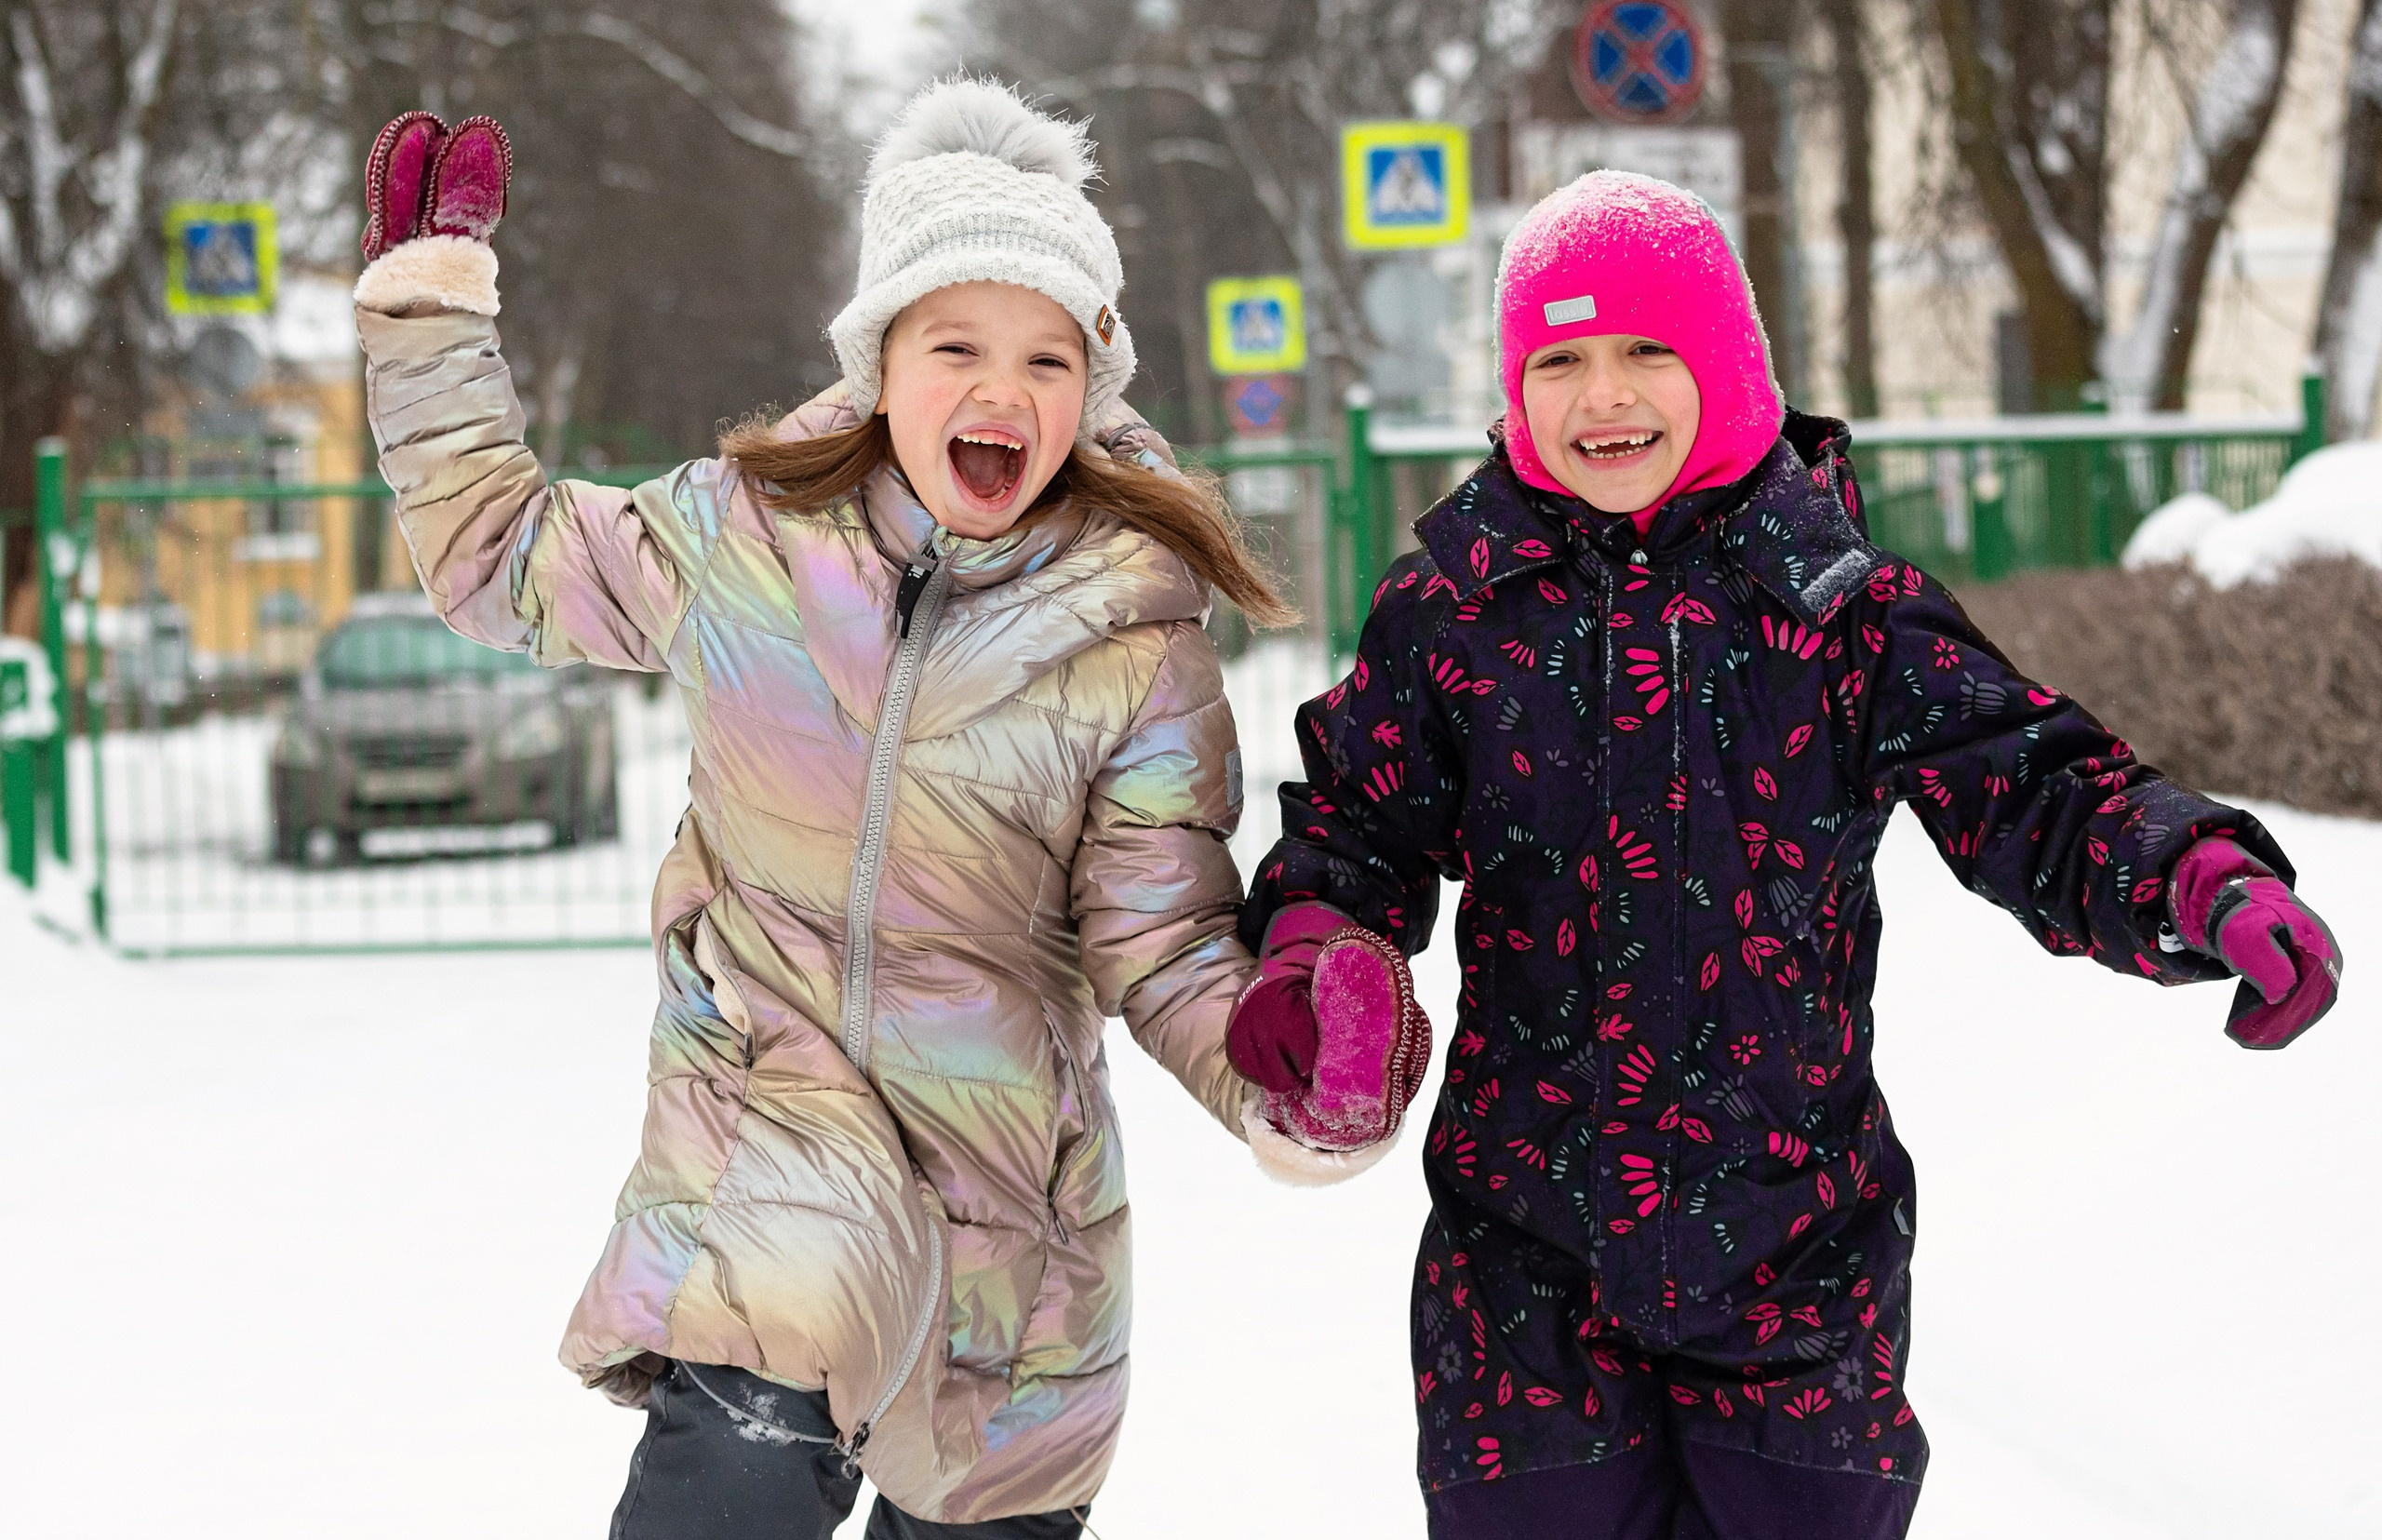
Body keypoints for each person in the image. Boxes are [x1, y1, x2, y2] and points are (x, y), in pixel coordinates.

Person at [1225, 170, 2344, 1539]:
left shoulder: (1843, 613)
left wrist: (2194, 880)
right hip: (1524, 1276)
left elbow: (2032, 782)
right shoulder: (1455, 612)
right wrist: (1315, 956)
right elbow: (1355, 820)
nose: (1602, 395)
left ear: (1730, 362)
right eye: (1559, 362)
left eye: (1648, 350)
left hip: (1797, 1264)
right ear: (1516, 390)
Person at [350, 79, 1309, 1538]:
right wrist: (430, 326)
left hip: (1011, 1221)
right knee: (731, 1473)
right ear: (879, 364)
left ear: (1094, 386)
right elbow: (500, 553)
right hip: (776, 1151)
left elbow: (1163, 938)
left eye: (1048, 357)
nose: (1002, 391)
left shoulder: (1131, 632)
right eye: (957, 346)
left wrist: (1283, 1074)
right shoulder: (743, 537)